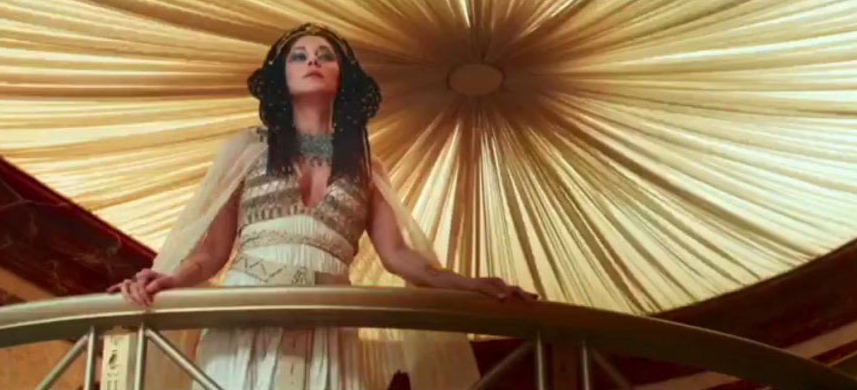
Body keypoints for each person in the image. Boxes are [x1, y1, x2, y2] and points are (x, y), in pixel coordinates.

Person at [109, 23, 538, 390]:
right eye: (298, 56)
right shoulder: (245, 148)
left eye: (325, 56)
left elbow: (398, 256)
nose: (312, 60)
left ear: (342, 77)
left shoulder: (367, 167)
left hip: (330, 324)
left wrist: (467, 284)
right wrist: (171, 277)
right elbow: (212, 252)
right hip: (247, 313)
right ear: (282, 78)